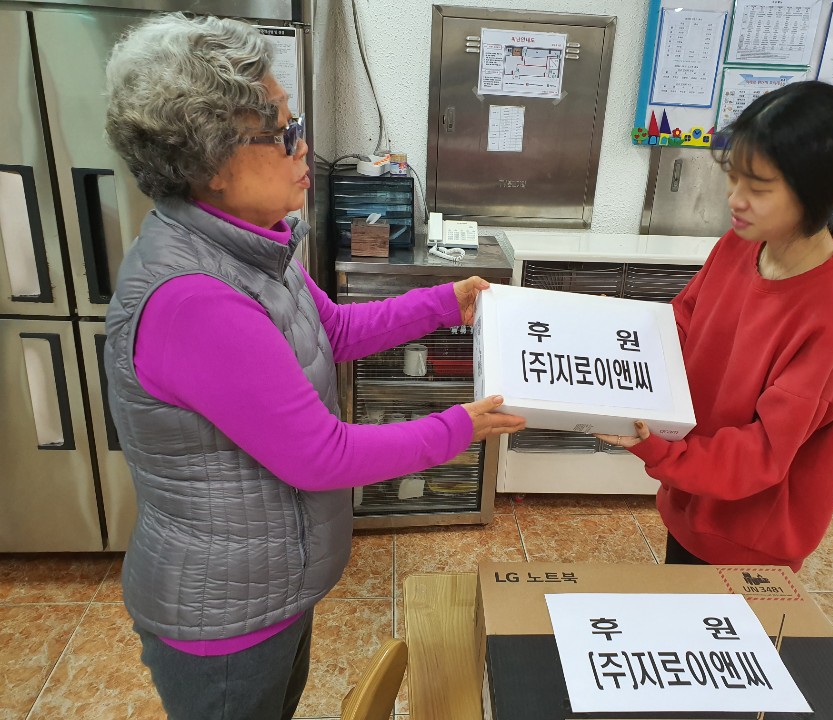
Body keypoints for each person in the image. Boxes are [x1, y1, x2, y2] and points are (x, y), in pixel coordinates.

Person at [102, 13, 525, 720]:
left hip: (267, 588)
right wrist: (460, 427)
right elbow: (322, 457)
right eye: (281, 132)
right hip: (225, 617)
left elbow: (333, 330)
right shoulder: (196, 301)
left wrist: (444, 301)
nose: (304, 147)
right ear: (210, 161)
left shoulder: (250, 247)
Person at [597, 81, 833, 572]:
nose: (735, 199)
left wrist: (663, 453)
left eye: (758, 188)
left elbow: (764, 451)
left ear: (816, 192)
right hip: (693, 498)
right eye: (733, 178)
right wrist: (620, 335)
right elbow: (684, 322)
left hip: (750, 536)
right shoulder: (741, 243)